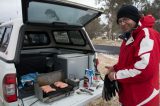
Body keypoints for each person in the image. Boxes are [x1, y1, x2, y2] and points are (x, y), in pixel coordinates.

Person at [106, 5, 160, 106]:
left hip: (144, 99)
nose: (122, 23)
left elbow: (145, 69)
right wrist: (115, 67)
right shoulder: (129, 37)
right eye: (120, 21)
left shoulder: (147, 34)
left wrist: (116, 75)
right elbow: (129, 61)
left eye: (125, 19)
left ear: (135, 18)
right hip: (129, 96)